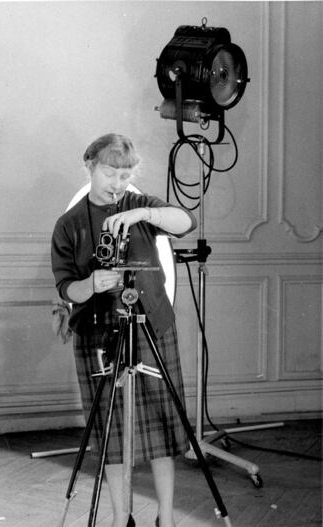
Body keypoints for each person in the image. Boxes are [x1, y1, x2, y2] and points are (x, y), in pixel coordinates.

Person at [51, 133, 196, 527]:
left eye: (124, 175)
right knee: (111, 434)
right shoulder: (71, 224)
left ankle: (165, 517)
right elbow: (66, 287)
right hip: (98, 332)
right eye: (109, 173)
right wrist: (93, 284)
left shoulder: (138, 204)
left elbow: (186, 221)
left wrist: (142, 215)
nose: (116, 183)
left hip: (150, 325)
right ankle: (121, 517)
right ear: (90, 167)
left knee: (164, 426)